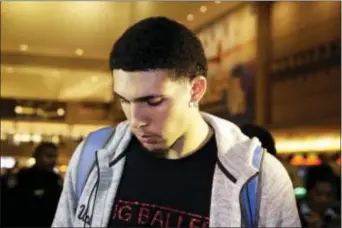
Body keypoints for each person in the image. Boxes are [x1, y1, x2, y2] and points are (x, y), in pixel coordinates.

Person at [52, 17, 300, 227]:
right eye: (125, 101)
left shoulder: (260, 180)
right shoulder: (93, 156)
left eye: (153, 101)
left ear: (196, 89)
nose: (136, 120)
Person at [12, 142, 62, 227]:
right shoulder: (24, 176)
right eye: (49, 156)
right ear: (36, 156)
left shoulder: (56, 179)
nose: (53, 160)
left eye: (55, 157)